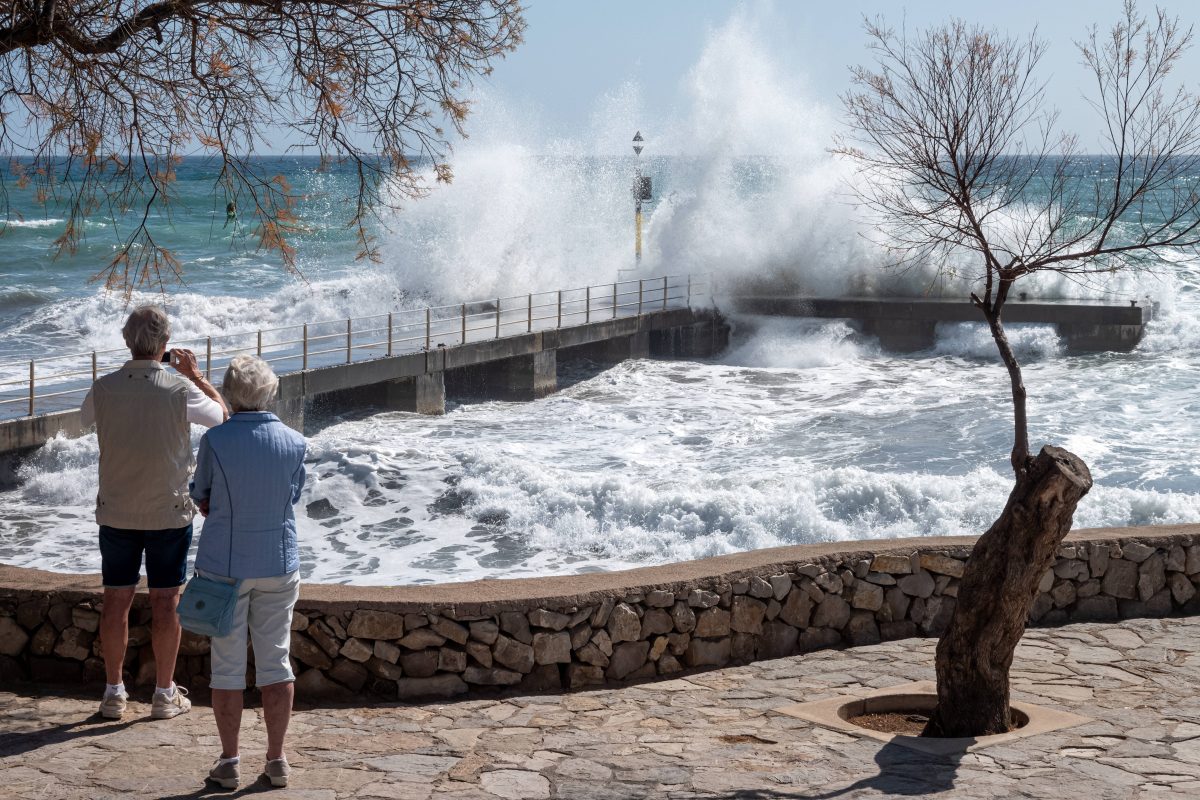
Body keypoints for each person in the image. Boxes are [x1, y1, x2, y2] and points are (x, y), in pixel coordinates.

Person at [81, 305, 229, 721]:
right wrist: (196, 375)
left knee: (116, 601)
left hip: (117, 510)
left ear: (127, 342)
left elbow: (85, 418)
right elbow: (223, 418)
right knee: (166, 602)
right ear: (165, 345)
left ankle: (113, 692)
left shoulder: (103, 387)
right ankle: (164, 693)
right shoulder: (179, 388)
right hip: (168, 511)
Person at [189, 355, 306, 790]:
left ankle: (230, 761)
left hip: (225, 565)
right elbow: (292, 495)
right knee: (277, 661)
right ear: (269, 392)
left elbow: (200, 491)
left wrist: (214, 503)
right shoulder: (295, 441)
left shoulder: (216, 440)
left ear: (230, 393)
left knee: (227, 667)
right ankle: (277, 760)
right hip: (278, 561)